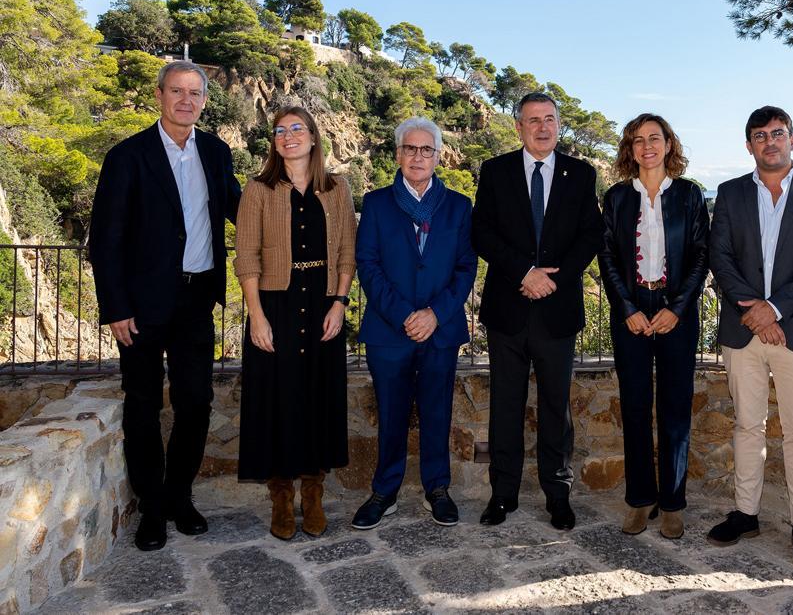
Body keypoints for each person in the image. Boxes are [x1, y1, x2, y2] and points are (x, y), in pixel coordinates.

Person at [88, 60, 242, 551]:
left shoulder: (217, 153)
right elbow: (106, 240)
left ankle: (179, 495)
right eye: (177, 91)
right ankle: (151, 508)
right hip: (142, 303)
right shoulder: (127, 156)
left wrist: (307, 202)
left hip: (197, 298)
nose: (186, 101)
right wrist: (115, 306)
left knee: (196, 401)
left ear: (203, 100)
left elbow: (244, 209)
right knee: (144, 404)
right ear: (159, 95)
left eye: (195, 93)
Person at [707, 106, 793, 571]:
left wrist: (776, 308)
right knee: (747, 425)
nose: (770, 142)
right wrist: (756, 312)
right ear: (749, 145)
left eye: (778, 133)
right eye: (760, 135)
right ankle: (746, 514)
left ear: (792, 139)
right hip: (744, 330)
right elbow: (720, 256)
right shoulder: (728, 194)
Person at [471, 92, 603, 530]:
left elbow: (590, 236)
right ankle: (502, 495)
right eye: (533, 120)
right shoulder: (495, 171)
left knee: (555, 409)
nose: (543, 127)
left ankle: (558, 496)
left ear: (558, 124)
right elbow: (482, 234)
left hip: (557, 310)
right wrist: (524, 273)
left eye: (549, 119)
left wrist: (554, 280)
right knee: (506, 407)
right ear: (519, 127)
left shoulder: (581, 174)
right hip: (508, 309)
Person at [233, 106, 356, 540]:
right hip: (276, 305)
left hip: (323, 304)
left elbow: (346, 252)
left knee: (318, 397)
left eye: (297, 129)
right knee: (276, 399)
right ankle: (281, 495)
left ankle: (314, 492)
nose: (288, 137)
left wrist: (339, 302)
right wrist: (257, 317)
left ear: (314, 137)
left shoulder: (337, 188)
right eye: (280, 131)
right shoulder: (259, 189)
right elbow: (246, 256)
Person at [351, 117, 477, 530]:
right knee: (391, 412)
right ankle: (384, 491)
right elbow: (367, 266)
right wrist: (405, 315)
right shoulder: (376, 203)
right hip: (390, 331)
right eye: (410, 148)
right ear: (398, 154)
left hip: (440, 330)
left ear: (439, 157)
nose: (418, 156)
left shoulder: (458, 206)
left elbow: (465, 267)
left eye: (426, 150)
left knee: (438, 411)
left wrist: (435, 314)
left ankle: (437, 489)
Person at [598, 114, 709, 539]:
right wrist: (626, 306)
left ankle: (674, 503)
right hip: (630, 311)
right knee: (636, 406)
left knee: (676, 409)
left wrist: (678, 307)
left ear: (668, 144)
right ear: (630, 148)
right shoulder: (617, 198)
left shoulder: (689, 196)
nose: (647, 146)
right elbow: (606, 255)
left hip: (676, 311)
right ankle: (640, 499)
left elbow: (702, 254)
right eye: (638, 140)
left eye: (655, 138)